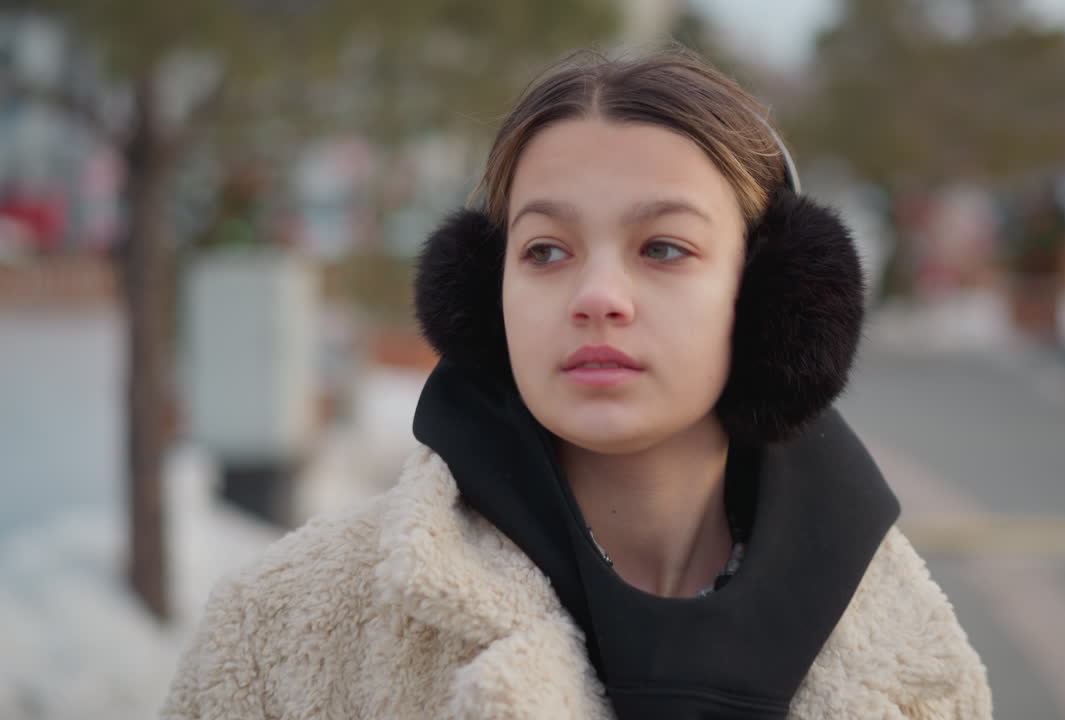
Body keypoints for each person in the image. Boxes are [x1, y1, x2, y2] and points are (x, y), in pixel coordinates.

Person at [163, 48, 991, 719]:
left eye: (663, 248)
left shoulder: (920, 672)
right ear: (486, 299)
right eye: (546, 251)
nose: (597, 296)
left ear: (780, 296)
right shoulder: (278, 639)